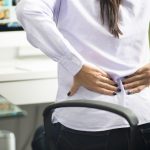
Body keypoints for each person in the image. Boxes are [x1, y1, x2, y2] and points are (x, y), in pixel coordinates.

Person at [16, 0, 150, 149]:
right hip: (143, 116)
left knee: (40, 136)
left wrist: (76, 66)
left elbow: (28, 10)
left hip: (87, 124)